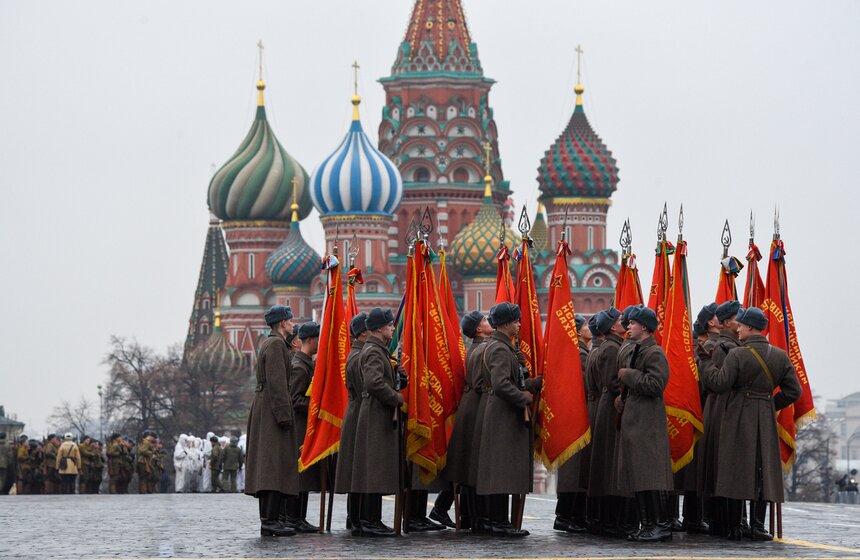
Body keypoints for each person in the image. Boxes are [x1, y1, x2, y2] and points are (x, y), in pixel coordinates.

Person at [699, 306, 802, 541]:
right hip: (764, 415)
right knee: (762, 469)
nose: (738, 330)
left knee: (736, 468)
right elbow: (793, 391)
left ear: (750, 327)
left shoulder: (737, 354)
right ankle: (757, 526)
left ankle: (735, 527)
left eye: (742, 325)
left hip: (737, 415)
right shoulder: (779, 355)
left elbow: (720, 383)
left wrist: (706, 364)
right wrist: (769, 404)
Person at [475, 302, 542, 538]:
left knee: (499, 468)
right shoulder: (501, 349)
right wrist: (523, 397)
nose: (519, 324)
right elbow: (502, 384)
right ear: (505, 324)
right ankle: (498, 521)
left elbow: (511, 381)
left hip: (501, 410)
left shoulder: (502, 346)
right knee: (500, 470)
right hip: (503, 413)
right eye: (516, 321)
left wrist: (533, 383)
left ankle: (494, 520)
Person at [615, 306, 674, 542]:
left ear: (645, 327)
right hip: (635, 420)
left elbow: (655, 384)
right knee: (638, 475)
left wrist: (628, 375)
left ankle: (659, 525)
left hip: (647, 422)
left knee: (650, 476)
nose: (628, 326)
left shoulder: (655, 353)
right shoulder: (638, 350)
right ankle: (647, 524)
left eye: (633, 323)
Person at [244, 304, 300, 537]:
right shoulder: (276, 345)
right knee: (272, 467)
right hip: (272, 410)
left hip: (266, 408)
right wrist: (284, 416)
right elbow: (278, 385)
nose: (293, 323)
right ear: (282, 323)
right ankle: (269, 521)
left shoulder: (273, 343)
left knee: (270, 466)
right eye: (290, 320)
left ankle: (272, 519)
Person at [350, 308, 403, 537]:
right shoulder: (373, 351)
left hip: (374, 411)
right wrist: (396, 397)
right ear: (380, 328)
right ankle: (370, 520)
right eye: (390, 325)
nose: (392, 328)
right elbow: (373, 383)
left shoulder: (375, 349)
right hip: (375, 413)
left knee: (374, 467)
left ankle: (368, 519)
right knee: (374, 468)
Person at [443, 311, 493, 532]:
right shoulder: (483, 349)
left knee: (469, 466)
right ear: (478, 330)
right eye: (484, 320)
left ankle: (470, 515)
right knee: (476, 465)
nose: (488, 322)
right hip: (477, 407)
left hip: (469, 406)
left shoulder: (475, 348)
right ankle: (479, 516)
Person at [698, 300, 741, 537]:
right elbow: (715, 383)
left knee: (727, 466)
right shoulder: (720, 347)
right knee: (723, 465)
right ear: (724, 323)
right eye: (737, 317)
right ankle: (722, 522)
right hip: (721, 408)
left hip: (727, 407)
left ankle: (728, 522)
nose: (741, 320)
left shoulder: (732, 345)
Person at [587, 307, 630, 537]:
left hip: (604, 403)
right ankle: (609, 519)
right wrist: (622, 397)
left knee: (604, 462)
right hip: (611, 405)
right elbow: (613, 382)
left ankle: (601, 518)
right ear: (613, 327)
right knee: (609, 463)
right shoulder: (613, 348)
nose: (625, 322)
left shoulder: (607, 346)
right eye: (621, 320)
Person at [554, 312, 595, 533]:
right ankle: (564, 515)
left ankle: (577, 516)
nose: (589, 328)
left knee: (580, 468)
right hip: (575, 414)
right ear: (577, 331)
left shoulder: (582, 352)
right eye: (585, 325)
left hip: (579, 413)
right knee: (573, 468)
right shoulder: (578, 355)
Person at [336, 313, 369, 530]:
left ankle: (354, 518)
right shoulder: (359, 356)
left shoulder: (356, 353)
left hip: (356, 411)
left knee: (356, 470)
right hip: (361, 412)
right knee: (361, 470)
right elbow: (368, 386)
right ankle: (359, 519)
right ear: (364, 332)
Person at [287, 321, 321, 532]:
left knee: (305, 476)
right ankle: (293, 517)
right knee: (299, 477)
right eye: (318, 339)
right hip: (299, 428)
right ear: (310, 340)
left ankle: (300, 517)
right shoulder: (300, 367)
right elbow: (295, 400)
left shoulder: (307, 363)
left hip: (306, 427)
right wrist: (317, 406)